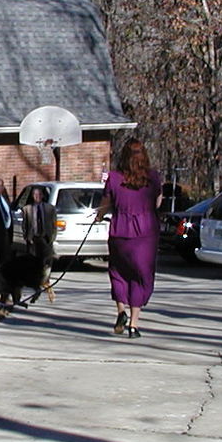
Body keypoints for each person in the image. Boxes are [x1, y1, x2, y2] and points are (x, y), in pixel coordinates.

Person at [95, 139, 162, 338]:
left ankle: (120, 311)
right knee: (140, 277)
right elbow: (157, 203)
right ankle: (133, 325)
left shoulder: (114, 178)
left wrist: (99, 216)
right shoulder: (153, 177)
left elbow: (105, 204)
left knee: (118, 273)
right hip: (145, 234)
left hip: (120, 232)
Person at [20, 185, 58, 288]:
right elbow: (24, 225)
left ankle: (46, 281)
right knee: (33, 261)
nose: (37, 196)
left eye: (39, 194)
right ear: (32, 196)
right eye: (35, 195)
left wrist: (52, 237)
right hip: (33, 239)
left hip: (45, 238)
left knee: (46, 261)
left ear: (42, 196)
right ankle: (35, 281)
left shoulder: (50, 208)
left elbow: (54, 224)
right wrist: (27, 237)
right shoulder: (27, 209)